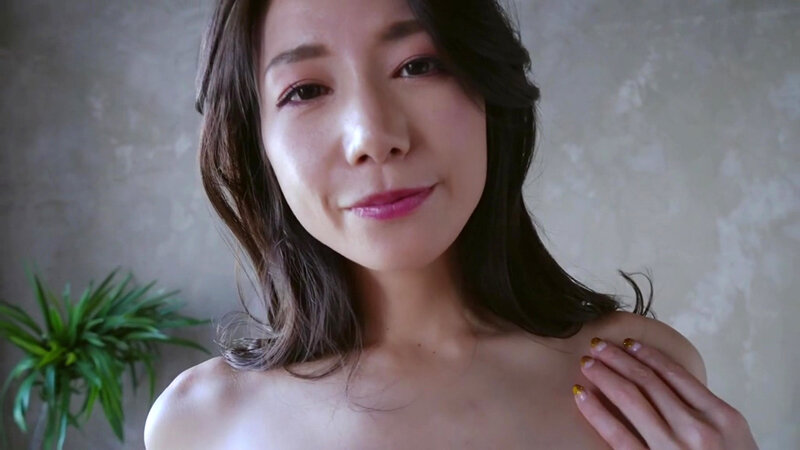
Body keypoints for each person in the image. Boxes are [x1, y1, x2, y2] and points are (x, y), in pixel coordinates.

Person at [144, 0, 759, 448]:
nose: (373, 136)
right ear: (256, 146)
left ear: (489, 91)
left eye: (418, 65)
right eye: (305, 90)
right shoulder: (197, 425)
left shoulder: (641, 374)